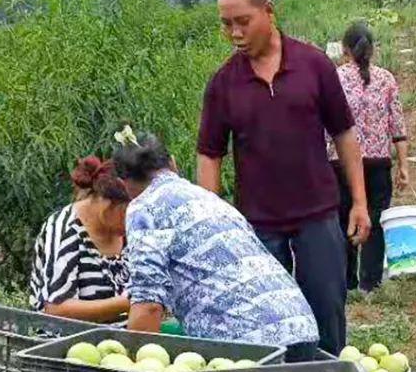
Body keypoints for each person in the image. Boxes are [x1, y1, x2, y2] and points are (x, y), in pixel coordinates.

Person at [197, 0, 371, 354]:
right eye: (226, 25)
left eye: (243, 21)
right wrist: (212, 223)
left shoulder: (313, 65)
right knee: (268, 324)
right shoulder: (223, 84)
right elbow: (210, 154)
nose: (234, 33)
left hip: (318, 216)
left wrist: (358, 202)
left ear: (269, 11)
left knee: (327, 312)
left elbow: (344, 134)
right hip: (258, 227)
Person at [116, 133, 320, 352]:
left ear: (123, 184)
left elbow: (148, 305)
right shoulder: (209, 200)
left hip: (249, 345)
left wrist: (133, 365)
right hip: (301, 327)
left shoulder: (144, 208)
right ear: (173, 163)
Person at [330, 21, 409, 294]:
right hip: (377, 163)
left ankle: (347, 282)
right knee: (374, 221)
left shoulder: (335, 78)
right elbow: (397, 127)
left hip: (340, 163)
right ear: (372, 50)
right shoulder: (386, 79)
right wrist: (404, 166)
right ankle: (371, 283)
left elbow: (323, 126)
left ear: (345, 50)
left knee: (343, 220)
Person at [29, 156, 131, 323]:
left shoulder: (128, 233)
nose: (137, 220)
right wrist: (126, 303)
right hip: (68, 342)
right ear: (107, 203)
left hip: (121, 343)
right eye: (130, 212)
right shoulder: (65, 228)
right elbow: (55, 308)